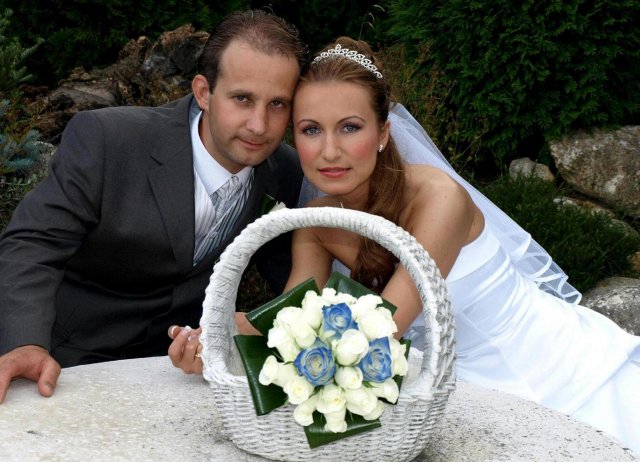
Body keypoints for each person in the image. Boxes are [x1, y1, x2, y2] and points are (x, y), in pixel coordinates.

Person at [170, 36, 640, 453]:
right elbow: (289, 320)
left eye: (350, 127)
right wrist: (214, 336)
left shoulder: (438, 199)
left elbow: (384, 326)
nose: (329, 151)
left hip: (562, 375)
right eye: (311, 129)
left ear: (383, 133)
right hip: (459, 397)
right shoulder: (316, 224)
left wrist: (248, 337)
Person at [0, 9, 307, 404]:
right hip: (63, 362)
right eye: (242, 99)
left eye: (278, 104)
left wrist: (244, 333)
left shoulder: (287, 172)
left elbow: (294, 284)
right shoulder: (108, 140)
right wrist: (25, 342)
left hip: (180, 377)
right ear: (204, 92)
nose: (259, 125)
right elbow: (32, 244)